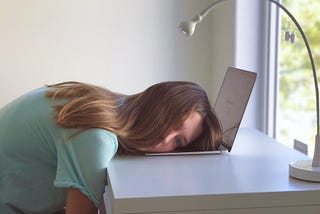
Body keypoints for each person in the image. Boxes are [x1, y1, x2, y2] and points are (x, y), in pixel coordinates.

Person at [0, 81, 222, 214]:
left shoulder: (109, 105)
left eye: (179, 141)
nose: (166, 138)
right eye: (171, 122)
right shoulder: (96, 137)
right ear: (158, 106)